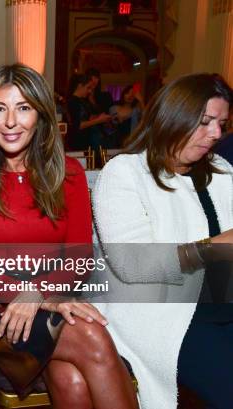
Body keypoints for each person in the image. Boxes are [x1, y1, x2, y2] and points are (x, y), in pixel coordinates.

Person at [0, 64, 138, 409]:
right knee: (93, 337)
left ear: (40, 115)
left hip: (54, 300)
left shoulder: (69, 174)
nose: (10, 121)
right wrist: (26, 295)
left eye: (23, 108)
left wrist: (40, 292)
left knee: (71, 379)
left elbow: (80, 255)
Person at [92, 73, 233, 409]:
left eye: (222, 123)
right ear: (175, 117)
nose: (216, 134)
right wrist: (212, 247)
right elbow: (132, 264)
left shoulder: (221, 171)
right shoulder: (125, 173)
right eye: (206, 122)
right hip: (167, 315)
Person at [66, 74, 112, 157]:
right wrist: (99, 120)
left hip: (86, 142)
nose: (90, 91)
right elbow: (78, 125)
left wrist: (99, 117)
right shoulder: (72, 102)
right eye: (88, 88)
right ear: (80, 86)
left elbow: (85, 118)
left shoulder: (83, 101)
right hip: (77, 143)